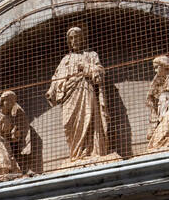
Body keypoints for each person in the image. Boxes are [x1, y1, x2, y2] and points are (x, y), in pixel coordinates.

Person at [46, 25, 116, 162]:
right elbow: (56, 77)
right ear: (68, 42)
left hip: (85, 90)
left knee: (88, 119)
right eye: (71, 38)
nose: (74, 40)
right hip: (69, 95)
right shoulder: (65, 60)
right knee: (69, 124)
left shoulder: (91, 55)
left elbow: (100, 72)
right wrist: (51, 90)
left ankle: (91, 152)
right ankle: (76, 154)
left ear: (83, 39)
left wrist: (86, 67)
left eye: (77, 37)